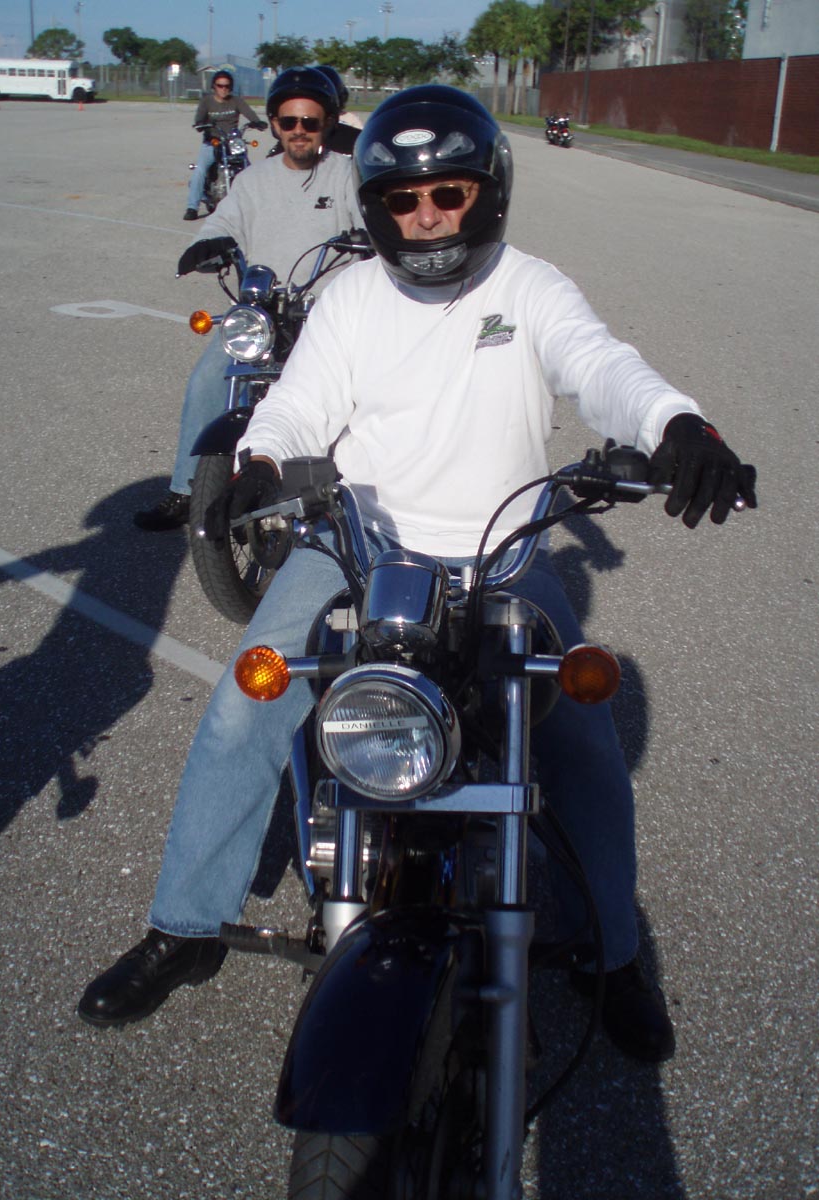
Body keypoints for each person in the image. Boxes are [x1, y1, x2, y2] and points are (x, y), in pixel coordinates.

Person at [82, 86, 757, 1061]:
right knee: (245, 699)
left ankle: (611, 953)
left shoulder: (530, 287)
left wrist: (677, 425)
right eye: (403, 199)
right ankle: (185, 925)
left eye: (449, 192)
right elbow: (300, 403)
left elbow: (604, 366)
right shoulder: (353, 298)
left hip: (503, 553)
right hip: (352, 543)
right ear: (376, 206)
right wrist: (260, 461)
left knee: (583, 739)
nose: (428, 215)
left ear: (489, 192)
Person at [136, 67, 364, 532]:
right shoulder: (253, 180)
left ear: (327, 124)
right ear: (274, 124)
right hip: (264, 312)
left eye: (310, 122)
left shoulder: (346, 174)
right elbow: (224, 221)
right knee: (208, 379)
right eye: (289, 121)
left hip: (326, 312)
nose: (299, 131)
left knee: (358, 392)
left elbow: (369, 220)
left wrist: (368, 238)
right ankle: (186, 490)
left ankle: (359, 493)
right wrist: (207, 244)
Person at [184, 70, 268, 222]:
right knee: (200, 170)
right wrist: (201, 124)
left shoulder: (236, 101)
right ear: (214, 86)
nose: (223, 89)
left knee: (248, 169)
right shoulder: (206, 101)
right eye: (220, 86)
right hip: (213, 141)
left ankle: (256, 204)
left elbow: (249, 113)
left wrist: (257, 122)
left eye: (227, 86)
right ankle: (192, 207)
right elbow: (199, 118)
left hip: (232, 141)